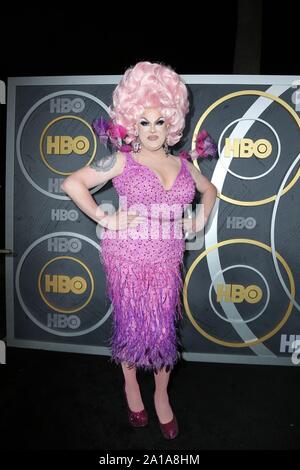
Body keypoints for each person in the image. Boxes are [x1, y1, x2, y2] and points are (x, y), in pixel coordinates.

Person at [61, 61, 217, 439]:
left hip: (167, 260)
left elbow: (209, 191)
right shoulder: (122, 160)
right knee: (134, 327)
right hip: (127, 257)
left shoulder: (183, 165)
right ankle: (132, 388)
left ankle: (161, 396)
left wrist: (198, 221)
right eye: (143, 122)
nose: (150, 130)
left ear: (172, 122)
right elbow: (73, 183)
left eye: (158, 121)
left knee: (163, 331)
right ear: (132, 122)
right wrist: (104, 216)